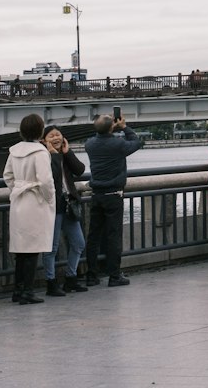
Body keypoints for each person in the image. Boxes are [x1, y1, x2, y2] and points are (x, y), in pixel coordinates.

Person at [84, 113, 143, 287]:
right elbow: (137, 142)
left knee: (93, 236)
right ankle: (114, 276)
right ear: (112, 127)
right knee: (113, 236)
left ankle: (91, 275)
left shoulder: (89, 144)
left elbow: (98, 137)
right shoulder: (118, 144)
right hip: (114, 194)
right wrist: (124, 127)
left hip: (96, 194)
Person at [3, 113, 55, 304]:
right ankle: (28, 291)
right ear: (40, 130)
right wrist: (48, 198)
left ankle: (18, 290)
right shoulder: (40, 152)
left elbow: (7, 175)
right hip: (34, 201)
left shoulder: (14, 150)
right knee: (33, 249)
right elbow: (46, 181)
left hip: (18, 201)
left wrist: (17, 188)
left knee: (20, 249)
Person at [41, 126, 88, 296]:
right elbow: (53, 176)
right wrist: (53, 153)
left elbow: (80, 170)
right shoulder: (43, 157)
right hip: (53, 207)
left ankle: (71, 277)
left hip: (69, 206)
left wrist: (68, 153)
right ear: (44, 140)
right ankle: (51, 282)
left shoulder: (65, 155)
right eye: (51, 136)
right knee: (51, 247)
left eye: (58, 135)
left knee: (79, 243)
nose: (56, 138)